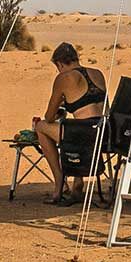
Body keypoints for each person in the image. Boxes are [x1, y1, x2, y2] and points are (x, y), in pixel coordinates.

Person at [31, 43, 107, 205]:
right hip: (104, 133)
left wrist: (61, 104)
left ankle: (59, 182)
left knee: (41, 126)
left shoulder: (64, 78)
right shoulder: (97, 73)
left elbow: (49, 117)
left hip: (83, 136)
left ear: (59, 64)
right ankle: (77, 181)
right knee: (75, 123)